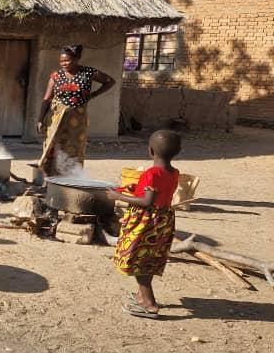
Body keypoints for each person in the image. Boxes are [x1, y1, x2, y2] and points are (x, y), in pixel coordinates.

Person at [106, 130, 182, 319]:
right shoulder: (174, 172)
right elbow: (156, 193)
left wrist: (118, 196)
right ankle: (141, 295)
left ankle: (149, 304)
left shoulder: (152, 173)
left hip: (145, 222)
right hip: (163, 221)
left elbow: (147, 202)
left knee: (138, 260)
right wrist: (135, 188)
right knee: (149, 258)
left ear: (150, 150)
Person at [37, 45, 115, 176]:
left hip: (77, 120)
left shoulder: (88, 73)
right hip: (56, 118)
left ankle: (71, 179)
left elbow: (110, 81)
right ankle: (50, 179)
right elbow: (47, 98)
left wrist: (93, 95)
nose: (64, 64)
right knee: (53, 147)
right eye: (61, 61)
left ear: (77, 59)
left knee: (74, 149)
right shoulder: (56, 76)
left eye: (67, 60)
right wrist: (40, 119)